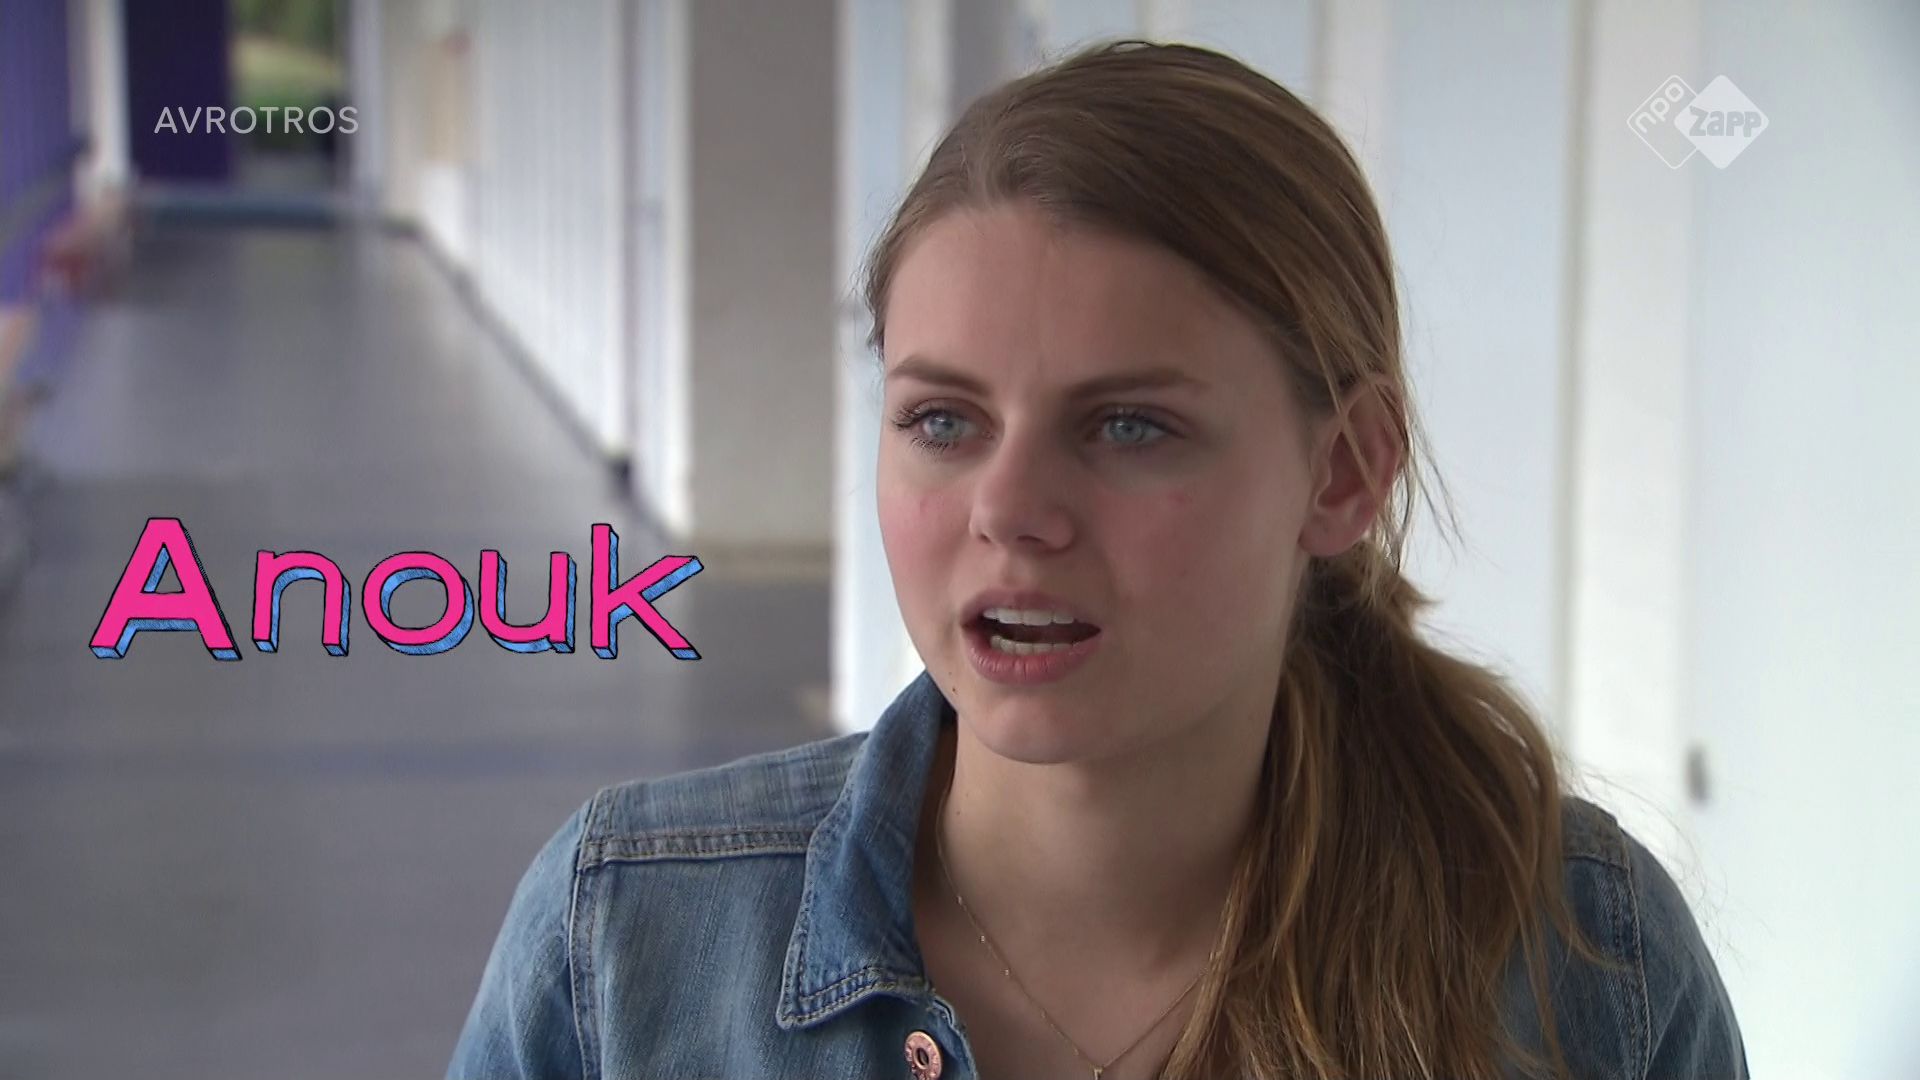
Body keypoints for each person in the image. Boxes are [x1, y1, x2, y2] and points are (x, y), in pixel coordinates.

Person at [446, 39, 1747, 1080]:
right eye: (942, 422)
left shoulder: (1589, 969)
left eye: (1129, 426)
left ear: (1345, 470)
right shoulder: (623, 944)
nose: (1010, 512)